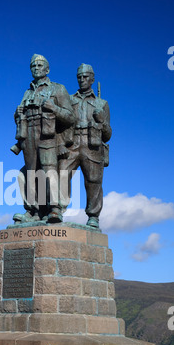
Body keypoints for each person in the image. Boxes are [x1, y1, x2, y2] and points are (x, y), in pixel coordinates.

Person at [12, 54, 74, 224]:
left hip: (48, 134)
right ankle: (33, 211)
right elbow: (19, 117)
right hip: (29, 135)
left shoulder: (57, 89)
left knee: (49, 171)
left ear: (47, 69)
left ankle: (54, 209)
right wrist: (16, 114)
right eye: (33, 66)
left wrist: (54, 108)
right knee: (30, 173)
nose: (36, 68)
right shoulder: (28, 92)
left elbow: (70, 117)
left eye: (40, 65)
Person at [59, 63, 112, 229]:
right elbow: (61, 124)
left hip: (92, 146)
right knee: (61, 174)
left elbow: (108, 134)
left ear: (92, 79)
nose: (82, 80)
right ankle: (58, 209)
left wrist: (102, 121)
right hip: (72, 143)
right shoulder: (69, 99)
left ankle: (93, 216)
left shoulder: (102, 104)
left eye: (85, 77)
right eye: (79, 77)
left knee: (93, 181)